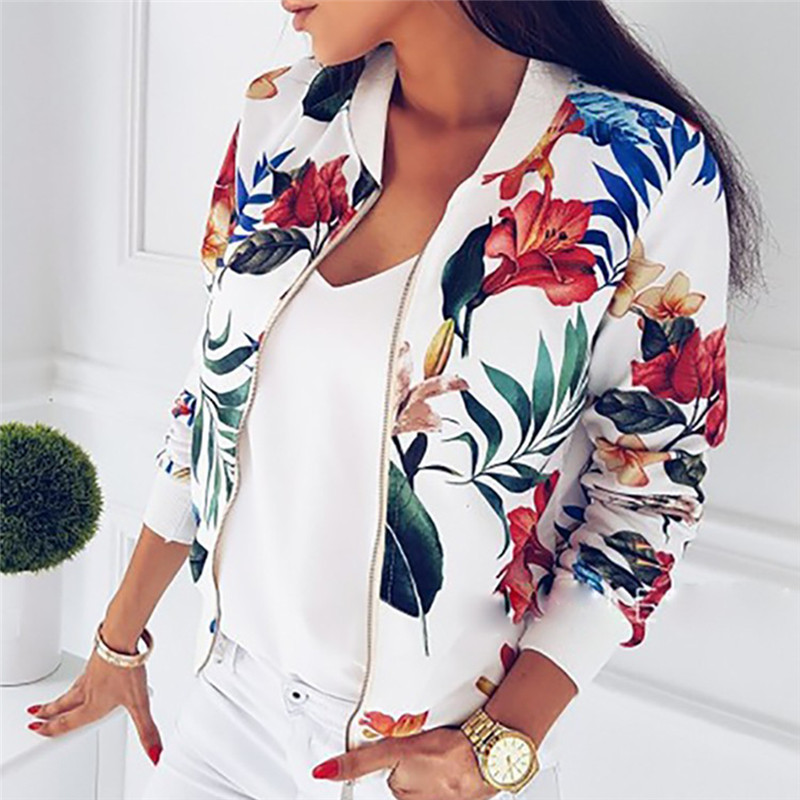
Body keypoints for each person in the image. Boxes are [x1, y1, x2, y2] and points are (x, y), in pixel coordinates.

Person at [24, 2, 765, 799]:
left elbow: (650, 491)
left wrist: (499, 745)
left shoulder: (642, 162)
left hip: (427, 756)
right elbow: (211, 402)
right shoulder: (287, 114)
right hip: (230, 712)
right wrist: (118, 639)